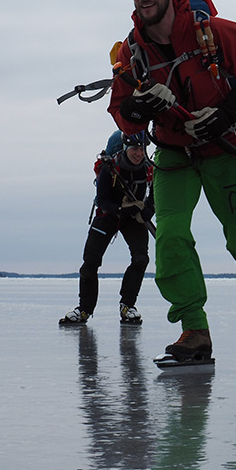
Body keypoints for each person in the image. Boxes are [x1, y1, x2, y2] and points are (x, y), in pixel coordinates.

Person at [106, 0, 236, 360]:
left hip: (227, 149)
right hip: (173, 155)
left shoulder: (217, 32)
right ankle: (194, 330)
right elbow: (120, 107)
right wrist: (138, 107)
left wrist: (228, 113)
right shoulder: (133, 51)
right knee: (170, 236)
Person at [60, 131, 155, 325]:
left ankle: (128, 305)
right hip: (108, 216)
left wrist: (149, 210)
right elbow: (102, 199)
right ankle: (84, 309)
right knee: (90, 263)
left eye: (142, 149)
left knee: (141, 259)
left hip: (133, 218)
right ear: (126, 149)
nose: (139, 154)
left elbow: (155, 194)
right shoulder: (110, 168)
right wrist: (118, 210)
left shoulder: (148, 169)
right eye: (134, 149)